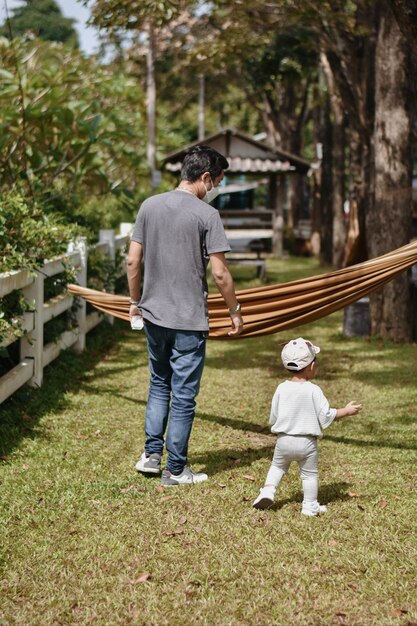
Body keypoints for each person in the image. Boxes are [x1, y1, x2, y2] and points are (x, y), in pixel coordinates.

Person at [127, 146, 244, 487]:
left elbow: (133, 261)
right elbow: (221, 275)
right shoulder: (207, 216)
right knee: (183, 395)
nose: (217, 188)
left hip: (153, 316)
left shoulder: (149, 205)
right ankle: (176, 470)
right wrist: (235, 312)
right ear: (206, 177)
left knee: (159, 384)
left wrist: (135, 301)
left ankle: (151, 456)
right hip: (189, 321)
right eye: (218, 181)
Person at [253, 337, 362, 515]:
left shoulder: (281, 388)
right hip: (307, 443)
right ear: (311, 366)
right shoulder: (314, 390)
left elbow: (274, 415)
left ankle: (268, 491)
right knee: (309, 474)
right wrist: (347, 410)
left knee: (277, 467)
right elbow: (327, 415)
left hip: (284, 440)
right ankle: (310, 505)